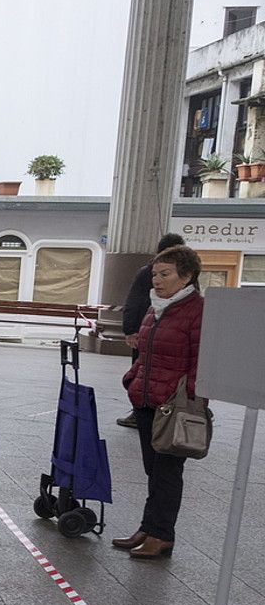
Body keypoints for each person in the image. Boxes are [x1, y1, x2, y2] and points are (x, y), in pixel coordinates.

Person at [114, 244, 204, 559]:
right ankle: (148, 527)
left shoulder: (197, 310)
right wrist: (133, 380)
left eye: (165, 274)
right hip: (146, 401)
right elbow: (144, 350)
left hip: (173, 408)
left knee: (167, 474)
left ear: (187, 276)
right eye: (154, 274)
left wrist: (190, 396)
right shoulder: (156, 307)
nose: (157, 280)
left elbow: (200, 362)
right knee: (154, 472)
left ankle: (162, 534)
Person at [116, 232, 186, 428]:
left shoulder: (153, 272)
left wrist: (130, 330)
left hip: (161, 333)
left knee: (149, 373)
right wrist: (130, 330)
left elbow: (134, 301)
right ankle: (144, 412)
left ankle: (150, 412)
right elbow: (136, 300)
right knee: (146, 373)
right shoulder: (152, 273)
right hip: (155, 333)